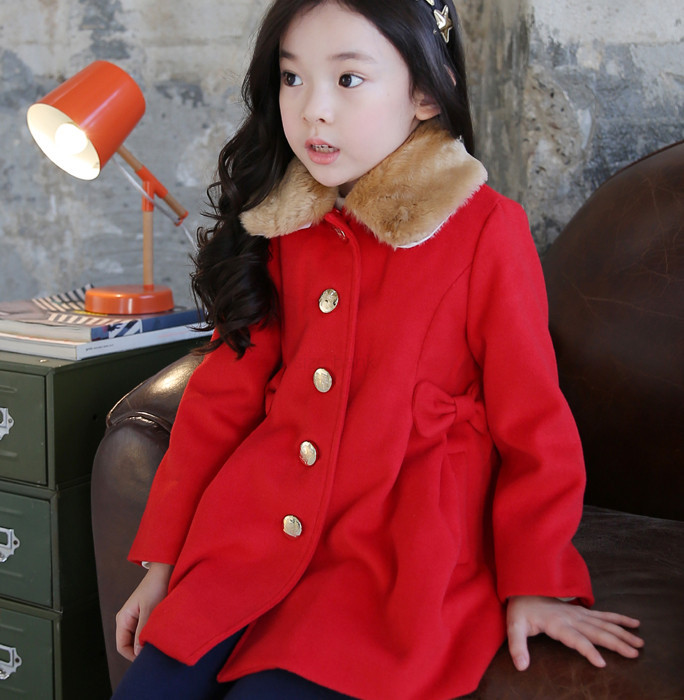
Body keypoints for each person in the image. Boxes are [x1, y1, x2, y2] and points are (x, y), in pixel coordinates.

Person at [112, 1, 644, 698]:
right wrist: (164, 565)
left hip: (393, 560)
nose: (313, 110)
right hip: (248, 538)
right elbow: (220, 400)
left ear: (426, 93)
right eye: (292, 78)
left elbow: (534, 422)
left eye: (349, 79)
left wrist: (537, 582)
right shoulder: (281, 224)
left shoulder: (486, 229)